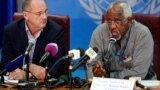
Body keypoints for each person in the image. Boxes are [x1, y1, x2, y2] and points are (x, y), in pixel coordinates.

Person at [87, 1, 156, 80]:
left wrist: (108, 77)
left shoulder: (142, 34)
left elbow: (138, 72)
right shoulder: (99, 32)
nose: (112, 26)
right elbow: (91, 64)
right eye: (109, 21)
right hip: (107, 84)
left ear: (129, 20)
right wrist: (96, 72)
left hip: (142, 84)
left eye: (117, 21)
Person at [0, 0, 66, 80]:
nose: (45, 17)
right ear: (26, 15)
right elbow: (5, 64)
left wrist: (28, 75)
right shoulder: (11, 31)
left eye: (45, 12)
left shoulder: (56, 32)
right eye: (39, 13)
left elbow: (57, 68)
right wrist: (27, 67)